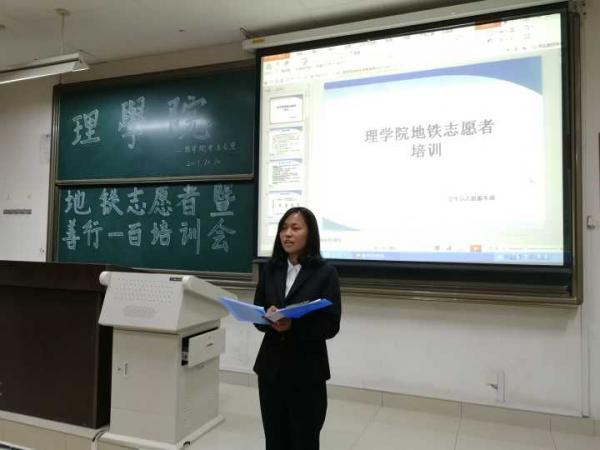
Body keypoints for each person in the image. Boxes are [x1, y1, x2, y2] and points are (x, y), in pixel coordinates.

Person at [253, 206, 342, 450]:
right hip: (271, 369)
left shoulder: (325, 273)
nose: (287, 234)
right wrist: (267, 318)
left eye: (295, 228)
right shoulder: (270, 269)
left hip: (306, 371)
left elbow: (331, 325)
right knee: (274, 439)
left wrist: (293, 325)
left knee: (304, 440)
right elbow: (258, 314)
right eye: (283, 228)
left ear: (309, 233)